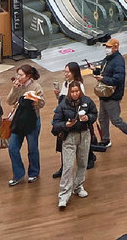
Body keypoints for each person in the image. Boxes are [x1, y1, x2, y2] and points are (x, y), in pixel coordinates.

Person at [51, 80, 96, 209]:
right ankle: (63, 195)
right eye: (73, 91)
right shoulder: (63, 105)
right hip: (69, 136)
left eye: (77, 91)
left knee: (82, 162)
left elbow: (94, 114)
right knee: (68, 166)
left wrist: (89, 118)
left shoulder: (87, 101)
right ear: (69, 92)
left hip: (84, 135)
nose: (75, 94)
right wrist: (66, 125)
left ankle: (78, 186)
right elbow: (55, 123)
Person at [92, 37, 127, 150]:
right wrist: (95, 70)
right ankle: (105, 139)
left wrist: (103, 79)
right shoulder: (108, 59)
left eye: (109, 47)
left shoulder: (118, 60)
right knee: (102, 118)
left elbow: (118, 79)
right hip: (104, 94)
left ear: (116, 47)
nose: (107, 49)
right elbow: (104, 71)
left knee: (115, 119)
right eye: (106, 47)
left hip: (113, 94)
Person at [6, 64, 45, 186]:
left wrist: (34, 100)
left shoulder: (36, 86)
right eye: (17, 74)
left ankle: (34, 173)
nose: (18, 77)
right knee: (12, 148)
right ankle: (18, 174)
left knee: (32, 148)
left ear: (28, 76)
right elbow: (9, 101)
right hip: (18, 120)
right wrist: (14, 89)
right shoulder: (18, 86)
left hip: (32, 121)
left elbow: (42, 103)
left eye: (21, 75)